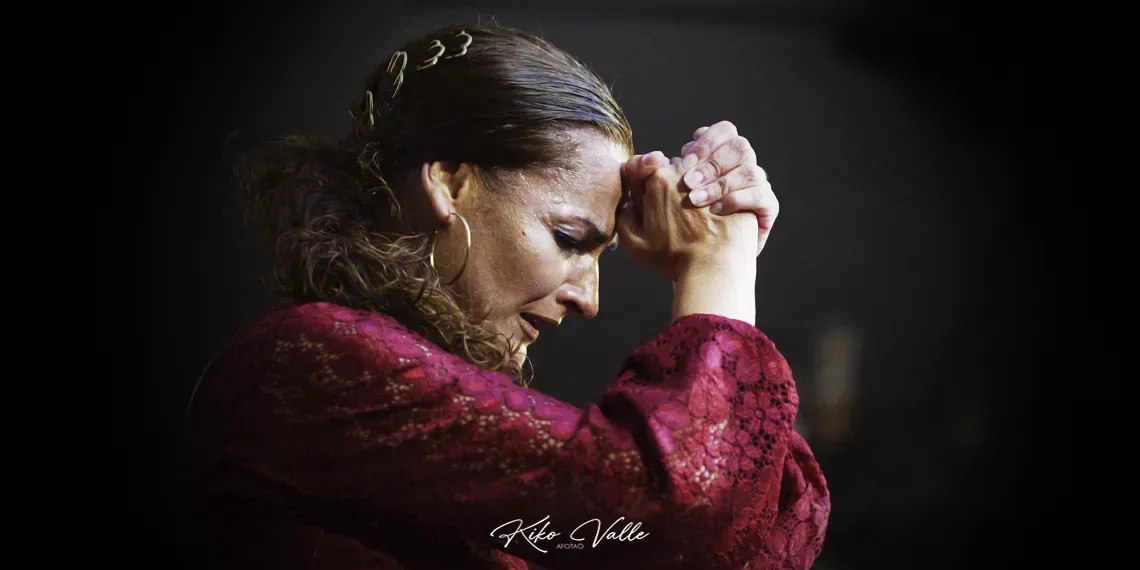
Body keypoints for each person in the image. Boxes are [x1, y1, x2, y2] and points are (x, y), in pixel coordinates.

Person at [182, 23, 830, 570]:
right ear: (451, 184)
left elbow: (738, 544)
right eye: (571, 237)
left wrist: (728, 262)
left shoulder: (434, 411)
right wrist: (714, 265)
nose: (589, 301)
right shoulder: (301, 362)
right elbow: (670, 505)